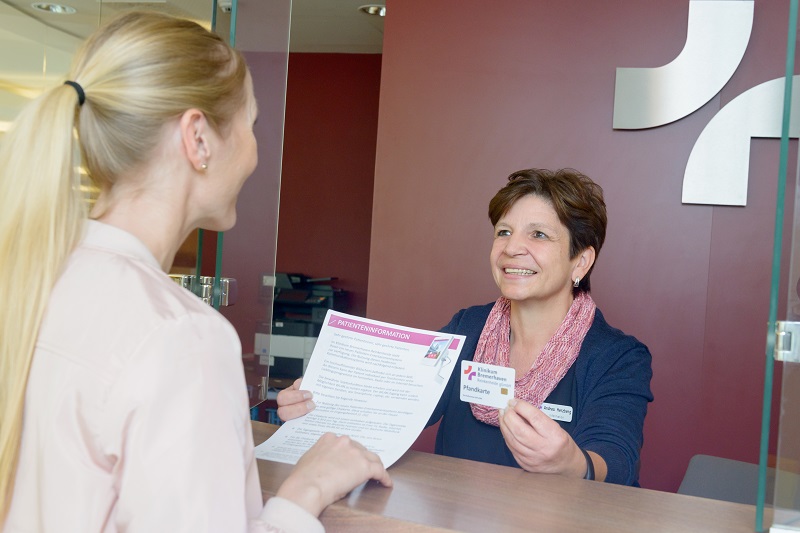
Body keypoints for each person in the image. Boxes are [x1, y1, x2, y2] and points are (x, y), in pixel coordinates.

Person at [0, 11, 390, 533]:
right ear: (198, 138)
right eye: (251, 126)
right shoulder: (181, 336)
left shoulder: (33, 283)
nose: (254, 154)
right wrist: (307, 489)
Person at [279, 168, 653, 486]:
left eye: (538, 235)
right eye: (504, 232)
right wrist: (320, 405)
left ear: (580, 262)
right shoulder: (468, 327)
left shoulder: (618, 357)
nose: (511, 248)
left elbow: (616, 462)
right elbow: (398, 408)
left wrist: (572, 463)